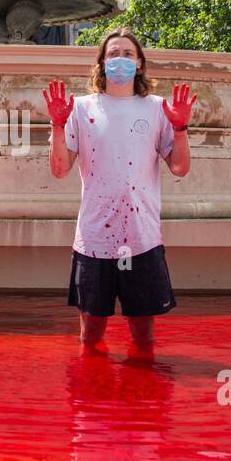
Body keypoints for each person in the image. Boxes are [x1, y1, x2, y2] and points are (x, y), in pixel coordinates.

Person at [44, 27, 196, 362]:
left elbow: (180, 168)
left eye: (128, 54)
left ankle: (141, 408)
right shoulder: (80, 109)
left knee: (144, 340)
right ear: (101, 63)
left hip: (142, 240)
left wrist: (182, 128)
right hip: (94, 241)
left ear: (140, 64)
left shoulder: (159, 109)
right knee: (90, 339)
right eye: (113, 54)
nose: (120, 60)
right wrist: (56, 125)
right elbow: (59, 169)